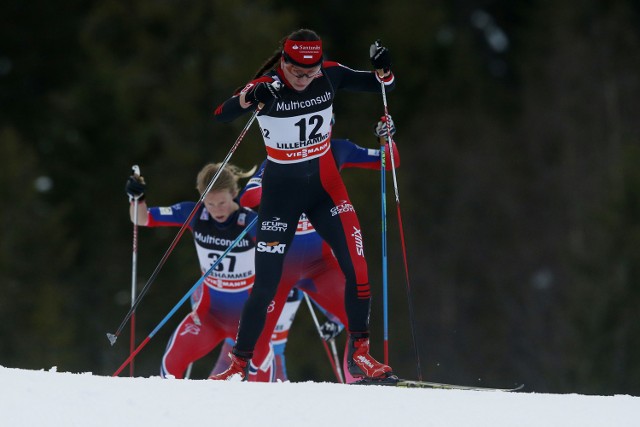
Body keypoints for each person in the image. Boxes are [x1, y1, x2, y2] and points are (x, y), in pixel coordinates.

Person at [210, 28, 397, 383]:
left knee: (357, 268)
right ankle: (238, 365)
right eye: (297, 72)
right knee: (265, 284)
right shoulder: (268, 85)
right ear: (284, 61)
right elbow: (221, 114)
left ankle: (361, 354)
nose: (304, 79)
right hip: (281, 195)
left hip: (326, 190)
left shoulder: (330, 75)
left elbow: (381, 85)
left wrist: (385, 70)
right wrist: (251, 97)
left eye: (310, 74)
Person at [233, 116, 400, 384]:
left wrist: (387, 138)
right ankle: (253, 390)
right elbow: (248, 196)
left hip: (318, 264)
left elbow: (388, 161)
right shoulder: (280, 158)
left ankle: (356, 379)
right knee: (261, 337)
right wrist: (283, 195)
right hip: (283, 265)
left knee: (356, 318)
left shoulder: (339, 149)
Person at [125, 162, 274, 379]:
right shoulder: (194, 214)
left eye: (222, 202)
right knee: (170, 364)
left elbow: (280, 250)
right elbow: (141, 218)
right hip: (210, 317)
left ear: (234, 193)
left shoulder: (250, 223)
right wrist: (136, 198)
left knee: (262, 376)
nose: (216, 210)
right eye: (210, 203)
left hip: (248, 323)